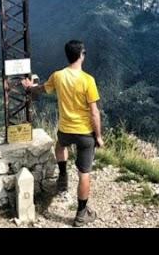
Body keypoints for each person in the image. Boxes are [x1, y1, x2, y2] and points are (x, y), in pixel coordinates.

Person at [22, 40, 103, 227]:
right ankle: (81, 214)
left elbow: (41, 89)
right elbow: (94, 112)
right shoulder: (88, 80)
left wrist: (29, 87)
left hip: (65, 129)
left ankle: (63, 176)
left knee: (60, 146)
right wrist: (98, 136)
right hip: (84, 133)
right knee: (84, 173)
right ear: (82, 55)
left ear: (68, 56)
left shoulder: (58, 76)